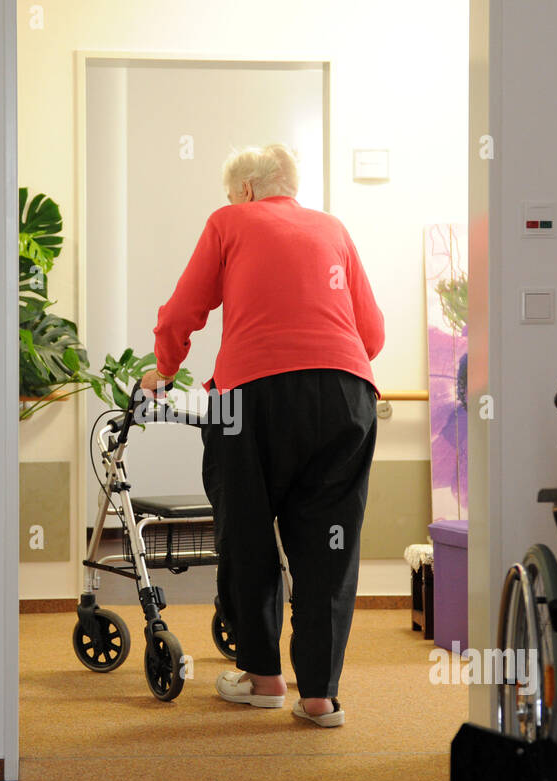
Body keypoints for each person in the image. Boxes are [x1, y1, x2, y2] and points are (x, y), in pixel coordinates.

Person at [140, 143, 385, 727]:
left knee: (247, 532)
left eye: (231, 193)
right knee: (331, 544)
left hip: (249, 400)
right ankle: (320, 695)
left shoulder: (229, 222)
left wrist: (164, 370)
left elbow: (182, 313)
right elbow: (371, 332)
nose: (229, 202)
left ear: (246, 190)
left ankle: (263, 678)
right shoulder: (333, 229)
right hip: (346, 395)